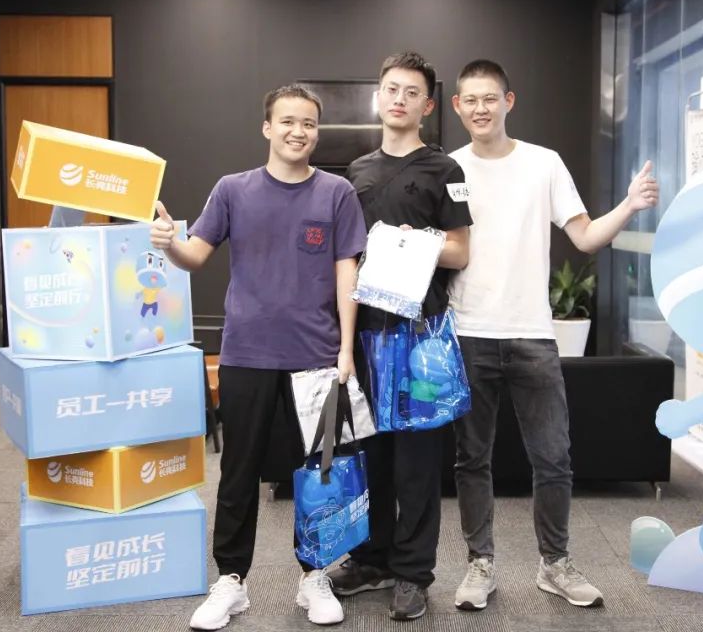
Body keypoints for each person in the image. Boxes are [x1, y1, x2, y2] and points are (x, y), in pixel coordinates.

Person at [150, 84, 367, 630]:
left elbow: (347, 271)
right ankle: (231, 580)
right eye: (288, 121)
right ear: (268, 127)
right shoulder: (233, 190)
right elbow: (195, 255)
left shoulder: (337, 192)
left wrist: (345, 349)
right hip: (246, 353)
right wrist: (168, 241)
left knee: (317, 473)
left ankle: (313, 575)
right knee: (239, 470)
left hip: (315, 357)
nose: (299, 131)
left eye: (309, 123)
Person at [446, 59, 659, 611]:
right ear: (458, 106)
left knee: (554, 458)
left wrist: (630, 205)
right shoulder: (448, 167)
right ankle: (479, 564)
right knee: (472, 459)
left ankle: (555, 564)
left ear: (508, 101)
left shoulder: (544, 164)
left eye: (490, 98)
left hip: (532, 335)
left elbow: (584, 237)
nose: (481, 109)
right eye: (471, 100)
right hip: (468, 332)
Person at [327, 51, 472, 621]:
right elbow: (345, 256)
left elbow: (461, 251)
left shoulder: (446, 171)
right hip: (364, 335)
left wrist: (416, 241)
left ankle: (413, 573)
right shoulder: (355, 172)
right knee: (372, 455)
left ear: (428, 106)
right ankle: (373, 560)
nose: (400, 99)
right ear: (378, 96)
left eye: (412, 92)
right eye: (391, 89)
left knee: (416, 461)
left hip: (419, 337)